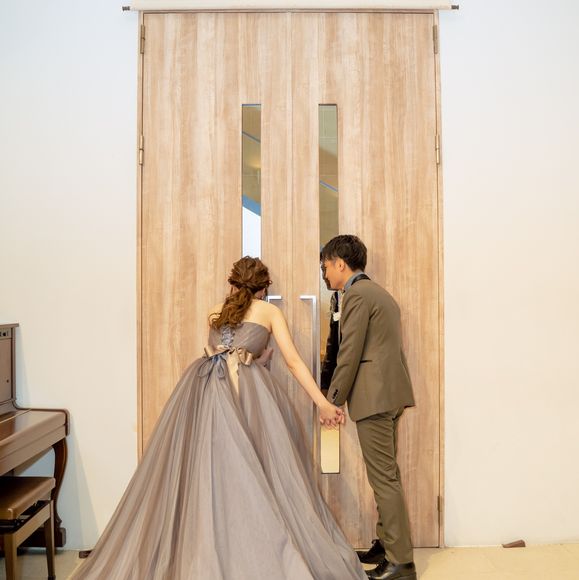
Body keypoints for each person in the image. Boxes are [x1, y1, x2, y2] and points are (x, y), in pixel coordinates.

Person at [72, 256, 366, 580]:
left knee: (211, 472)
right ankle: (253, 550)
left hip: (204, 393)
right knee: (257, 471)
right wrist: (322, 403)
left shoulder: (215, 311)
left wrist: (256, 359)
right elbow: (293, 362)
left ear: (232, 283)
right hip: (248, 396)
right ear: (263, 288)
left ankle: (210, 549)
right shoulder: (269, 312)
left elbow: (223, 352)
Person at [320, 235, 417, 580]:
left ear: (340, 263)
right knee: (386, 475)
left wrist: (331, 400)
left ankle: (401, 562)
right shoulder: (379, 293)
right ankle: (387, 544)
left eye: (326, 266)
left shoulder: (358, 295)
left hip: (374, 398)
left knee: (384, 478)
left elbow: (350, 352)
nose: (325, 273)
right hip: (389, 394)